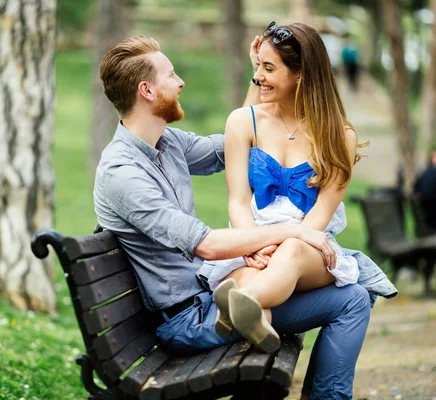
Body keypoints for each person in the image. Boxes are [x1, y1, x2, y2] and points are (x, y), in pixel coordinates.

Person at [94, 34, 397, 400]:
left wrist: (259, 75)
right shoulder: (122, 172)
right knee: (341, 302)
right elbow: (205, 244)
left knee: (353, 298)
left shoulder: (168, 143)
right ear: (146, 90)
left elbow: (242, 138)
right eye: (171, 76)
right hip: (187, 318)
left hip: (212, 294)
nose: (181, 82)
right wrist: (294, 233)